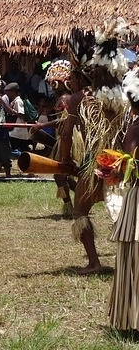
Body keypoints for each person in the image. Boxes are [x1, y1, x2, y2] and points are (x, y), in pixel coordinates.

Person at [59, 22, 132, 274]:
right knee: (125, 211)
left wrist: (65, 161)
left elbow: (67, 135)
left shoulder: (78, 99)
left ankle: (94, 262)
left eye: (71, 75)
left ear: (80, 75)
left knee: (80, 211)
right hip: (121, 159)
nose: (69, 80)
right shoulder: (118, 96)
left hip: (97, 161)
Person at [107, 67, 139, 331]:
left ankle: (133, 318)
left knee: (134, 257)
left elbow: (127, 166)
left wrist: (110, 170)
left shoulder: (136, 128)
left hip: (137, 200)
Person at [30, 60, 75, 216]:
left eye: (54, 83)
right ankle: (83, 195)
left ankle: (70, 206)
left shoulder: (65, 99)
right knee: (65, 173)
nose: (51, 86)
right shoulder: (63, 98)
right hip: (63, 138)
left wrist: (42, 126)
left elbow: (64, 122)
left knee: (59, 173)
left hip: (68, 139)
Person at [4, 82, 31, 155]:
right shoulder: (14, 101)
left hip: (19, 131)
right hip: (15, 131)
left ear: (13, 91)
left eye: (8, 91)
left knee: (19, 151)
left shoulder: (18, 101)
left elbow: (21, 115)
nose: (7, 93)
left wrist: (13, 111)